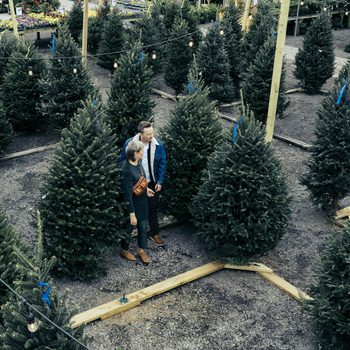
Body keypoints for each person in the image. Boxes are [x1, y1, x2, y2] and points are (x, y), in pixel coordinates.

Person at [120, 121, 167, 246]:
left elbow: (162, 163)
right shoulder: (131, 144)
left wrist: (160, 181)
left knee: (152, 207)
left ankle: (154, 233)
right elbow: (122, 161)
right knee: (134, 208)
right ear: (141, 134)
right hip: (135, 181)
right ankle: (126, 242)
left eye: (152, 132)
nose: (152, 136)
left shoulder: (158, 145)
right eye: (148, 134)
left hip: (150, 182)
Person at [121, 140, 155, 265]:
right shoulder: (126, 170)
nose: (143, 153)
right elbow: (127, 194)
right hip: (132, 205)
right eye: (142, 152)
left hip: (142, 202)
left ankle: (141, 249)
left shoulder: (139, 163)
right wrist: (131, 213)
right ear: (135, 153)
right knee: (129, 227)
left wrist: (146, 190)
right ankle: (124, 249)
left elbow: (142, 180)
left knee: (143, 226)